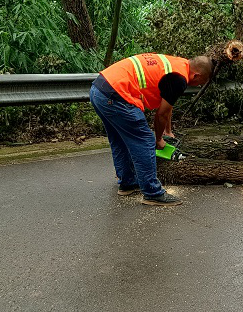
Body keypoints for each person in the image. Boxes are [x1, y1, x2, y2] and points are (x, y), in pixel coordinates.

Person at [89, 53, 212, 206]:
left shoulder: (178, 64)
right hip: (116, 95)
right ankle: (152, 192)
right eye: (201, 82)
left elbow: (167, 105)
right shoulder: (180, 79)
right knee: (145, 140)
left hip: (99, 90)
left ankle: (127, 183)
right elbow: (161, 115)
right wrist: (159, 139)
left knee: (119, 140)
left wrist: (168, 130)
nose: (199, 85)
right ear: (197, 75)